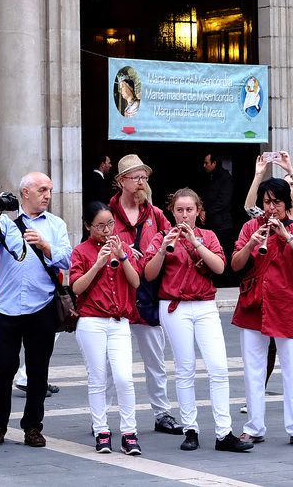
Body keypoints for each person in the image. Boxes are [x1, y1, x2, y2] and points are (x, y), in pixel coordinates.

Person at [141, 188, 253, 453]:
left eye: (189, 210)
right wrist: (163, 249)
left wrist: (196, 243)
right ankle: (190, 428)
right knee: (185, 367)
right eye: (179, 210)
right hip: (174, 306)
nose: (184, 215)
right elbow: (148, 274)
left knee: (218, 367)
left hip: (204, 305)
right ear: (172, 211)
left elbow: (220, 267)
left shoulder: (209, 236)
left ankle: (224, 432)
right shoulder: (161, 237)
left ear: (198, 211)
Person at [0, 172, 72, 449]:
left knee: (37, 370)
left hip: (41, 305)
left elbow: (68, 258)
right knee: (3, 369)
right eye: (42, 189)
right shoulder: (6, 224)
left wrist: (44, 245)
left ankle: (32, 427)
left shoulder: (55, 224)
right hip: (6, 308)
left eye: (50, 190)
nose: (47, 195)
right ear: (25, 193)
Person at [232, 178, 293, 448]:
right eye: (266, 202)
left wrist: (286, 236)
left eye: (276, 203)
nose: (270, 208)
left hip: (287, 305)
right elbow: (235, 264)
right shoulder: (250, 227)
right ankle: (254, 426)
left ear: (286, 204)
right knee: (253, 369)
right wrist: (250, 244)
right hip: (253, 305)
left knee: (292, 369)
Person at [108, 154, 182, 435]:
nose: (142, 182)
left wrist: (157, 248)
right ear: (121, 181)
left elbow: (172, 242)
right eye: (137, 177)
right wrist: (124, 252)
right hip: (117, 296)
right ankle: (101, 417)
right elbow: (94, 247)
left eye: (144, 178)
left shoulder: (155, 214)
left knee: (155, 359)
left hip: (149, 295)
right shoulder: (108, 215)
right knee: (109, 363)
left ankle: (161, 412)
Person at [70, 202, 143, 456]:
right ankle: (102, 430)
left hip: (119, 321)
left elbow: (135, 282)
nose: (106, 230)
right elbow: (77, 288)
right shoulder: (81, 251)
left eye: (110, 224)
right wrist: (98, 264)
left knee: (124, 377)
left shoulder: (124, 249)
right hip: (92, 321)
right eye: (100, 226)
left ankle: (129, 432)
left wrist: (122, 256)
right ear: (88, 226)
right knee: (98, 378)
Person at [242, 152, 293, 388]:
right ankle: (258, 388)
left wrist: (291, 170)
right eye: (287, 184)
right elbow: (248, 206)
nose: (289, 186)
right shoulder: (266, 216)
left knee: (291, 342)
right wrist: (258, 175)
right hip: (270, 283)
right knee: (267, 340)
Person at [199, 153, 235, 260]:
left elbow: (223, 201)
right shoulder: (207, 177)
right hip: (209, 223)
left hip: (222, 225)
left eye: (206, 163)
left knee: (222, 254)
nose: (204, 165)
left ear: (214, 163)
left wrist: (207, 213)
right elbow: (203, 196)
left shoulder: (225, 178)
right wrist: (201, 210)